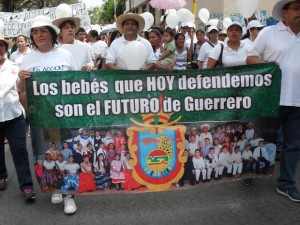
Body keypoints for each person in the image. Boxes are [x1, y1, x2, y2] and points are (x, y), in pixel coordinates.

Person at [18, 15, 77, 213]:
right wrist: (20, 79)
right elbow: (22, 90)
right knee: (53, 152)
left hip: (67, 113)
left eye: (43, 30)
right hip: (46, 117)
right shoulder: (28, 58)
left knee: (67, 152)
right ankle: (58, 189)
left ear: (52, 34)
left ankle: (70, 195)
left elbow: (76, 84)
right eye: (35, 32)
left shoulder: (66, 54)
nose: (39, 35)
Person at [0, 33, 35, 200]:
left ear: (6, 49)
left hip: (14, 116)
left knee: (20, 151)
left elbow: (21, 89)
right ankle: (1, 176)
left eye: (1, 45)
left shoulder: (14, 67)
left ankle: (26, 186)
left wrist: (29, 112)